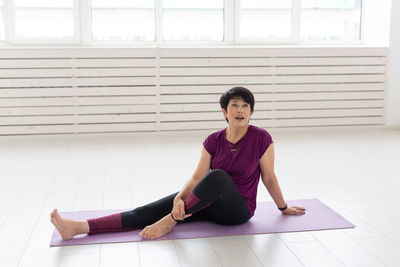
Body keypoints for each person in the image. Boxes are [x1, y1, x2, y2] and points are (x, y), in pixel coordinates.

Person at [50, 86, 306, 240]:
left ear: (251, 111)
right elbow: (197, 178)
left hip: (237, 212)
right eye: (234, 105)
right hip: (208, 203)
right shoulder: (213, 139)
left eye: (246, 106)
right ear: (224, 112)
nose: (240, 110)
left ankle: (172, 220)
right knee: (145, 211)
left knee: (218, 176)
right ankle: (78, 227)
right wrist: (180, 198)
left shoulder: (262, 138)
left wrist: (283, 207)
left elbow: (269, 177)